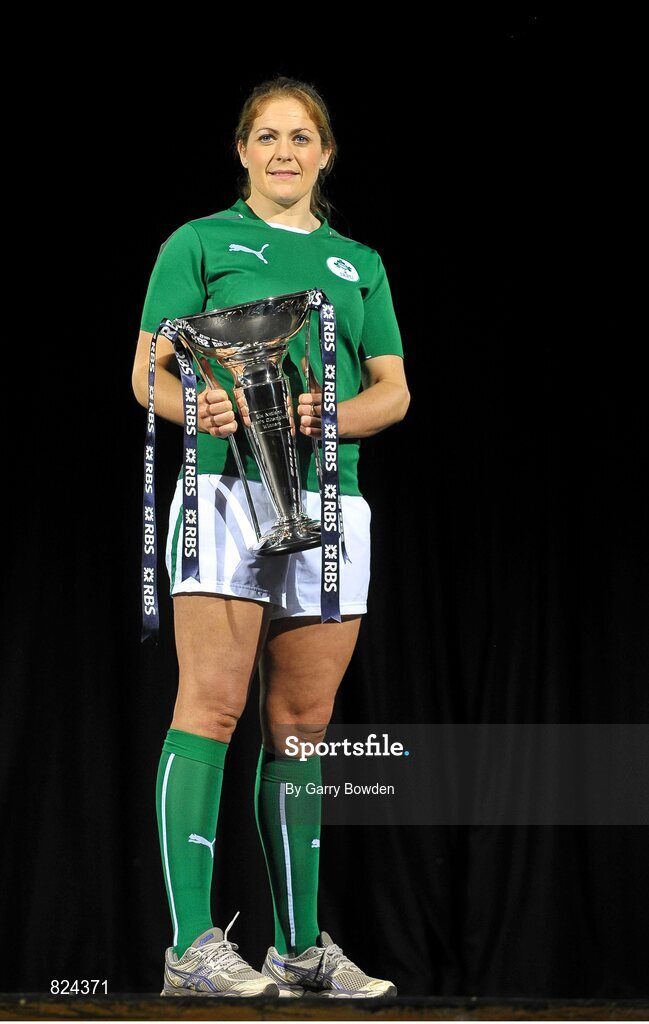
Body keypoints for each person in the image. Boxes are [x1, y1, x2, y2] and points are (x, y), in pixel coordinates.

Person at [131, 75, 410, 999]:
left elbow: (393, 391)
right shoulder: (198, 242)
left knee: (302, 725)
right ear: (242, 151)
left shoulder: (357, 262)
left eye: (299, 137)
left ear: (325, 154)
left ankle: (297, 950)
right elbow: (147, 375)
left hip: (332, 501)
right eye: (265, 136)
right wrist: (198, 406)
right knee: (212, 706)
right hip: (224, 490)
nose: (282, 152)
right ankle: (190, 947)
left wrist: (325, 414)